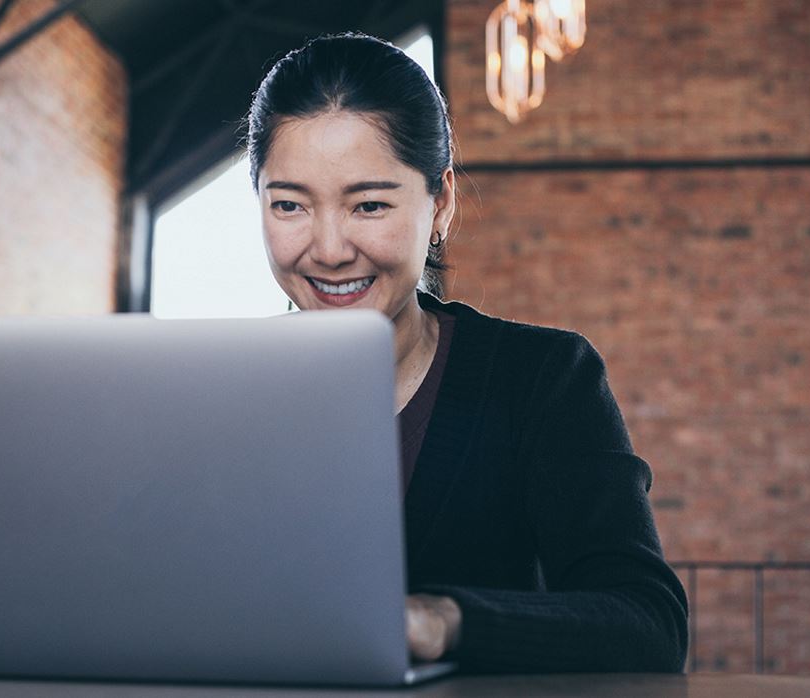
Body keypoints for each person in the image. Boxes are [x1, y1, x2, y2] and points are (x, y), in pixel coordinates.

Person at [245, 32, 688, 673]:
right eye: (289, 204)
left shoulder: (540, 379)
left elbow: (648, 623)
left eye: (369, 204)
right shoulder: (219, 394)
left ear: (441, 203)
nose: (330, 248)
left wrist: (442, 620)